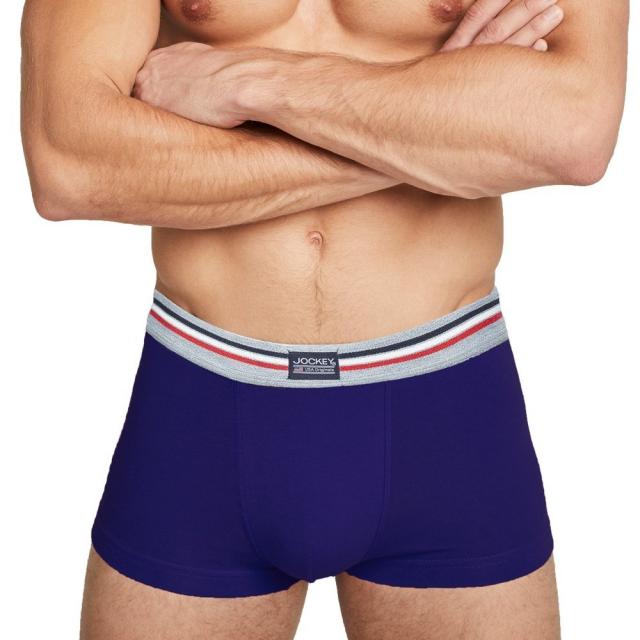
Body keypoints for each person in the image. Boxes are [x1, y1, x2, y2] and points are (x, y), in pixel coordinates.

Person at [20, 0, 628, 638]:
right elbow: (70, 164)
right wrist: (434, 126)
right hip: (199, 416)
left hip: (447, 419)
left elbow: (575, 130)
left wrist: (250, 83)